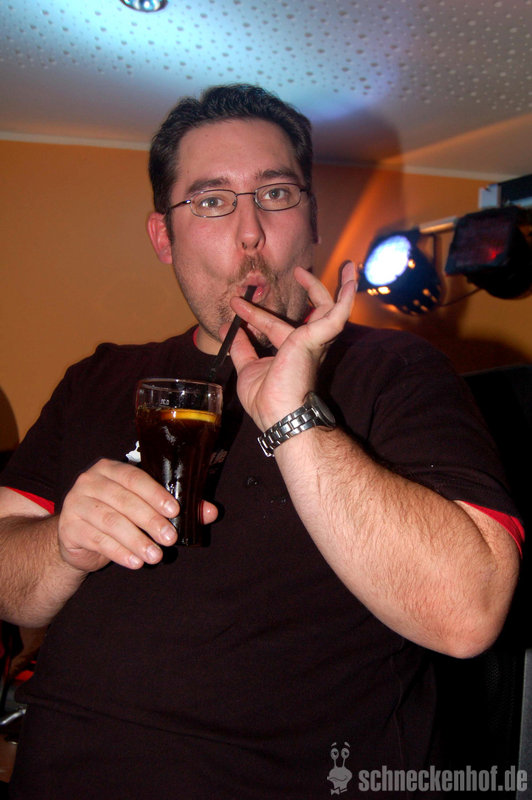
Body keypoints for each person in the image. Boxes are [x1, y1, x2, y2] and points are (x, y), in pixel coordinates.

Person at [0, 84, 523, 799]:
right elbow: (10, 586)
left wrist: (294, 419)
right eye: (212, 201)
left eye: (275, 194)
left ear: (312, 220)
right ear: (163, 236)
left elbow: (468, 614)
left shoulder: (396, 370)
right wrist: (65, 543)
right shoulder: (98, 377)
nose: (250, 232)